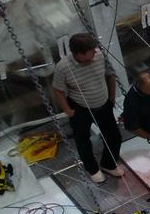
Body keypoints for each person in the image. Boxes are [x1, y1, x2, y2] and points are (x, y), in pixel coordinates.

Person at [51, 32, 125, 184]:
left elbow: (110, 75)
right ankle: (92, 169)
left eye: (93, 51)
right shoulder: (63, 67)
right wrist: (68, 111)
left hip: (103, 104)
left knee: (114, 136)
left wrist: (112, 97)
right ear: (77, 53)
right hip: (80, 108)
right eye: (88, 54)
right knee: (83, 140)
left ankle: (108, 164)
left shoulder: (99, 55)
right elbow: (58, 90)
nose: (92, 56)